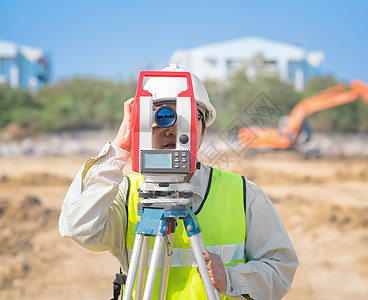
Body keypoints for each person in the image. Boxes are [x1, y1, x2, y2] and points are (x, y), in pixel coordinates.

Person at [59, 65, 299, 299]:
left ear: (203, 131)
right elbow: (78, 227)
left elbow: (281, 269)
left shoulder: (243, 194)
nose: (170, 129)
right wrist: (119, 147)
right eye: (160, 116)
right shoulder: (126, 193)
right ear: (140, 124)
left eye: (183, 117)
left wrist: (232, 278)